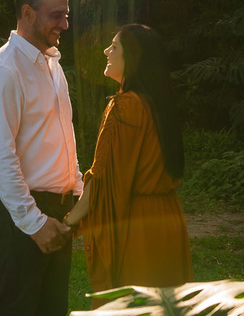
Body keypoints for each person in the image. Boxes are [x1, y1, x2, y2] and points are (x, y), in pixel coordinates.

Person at [0, 0, 84, 316]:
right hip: (21, 214)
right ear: (27, 13)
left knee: (53, 310)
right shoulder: (4, 71)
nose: (65, 24)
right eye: (57, 15)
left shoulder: (52, 65)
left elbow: (63, 135)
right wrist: (34, 222)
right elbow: (1, 157)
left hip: (59, 211)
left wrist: (77, 194)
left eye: (66, 15)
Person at [64, 24, 193, 296]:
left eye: (114, 47)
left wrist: (68, 222)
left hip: (139, 229)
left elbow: (102, 180)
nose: (106, 51)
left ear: (133, 58)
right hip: (167, 219)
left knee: (136, 306)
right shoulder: (156, 103)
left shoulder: (126, 106)